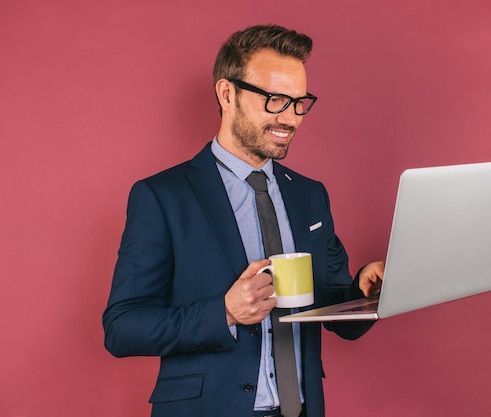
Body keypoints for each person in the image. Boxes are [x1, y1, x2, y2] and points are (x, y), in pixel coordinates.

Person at [103, 24, 384, 417]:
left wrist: (366, 290)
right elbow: (122, 327)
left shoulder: (310, 195)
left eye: (300, 102)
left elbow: (336, 310)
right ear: (227, 93)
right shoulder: (162, 197)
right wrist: (225, 312)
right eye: (275, 100)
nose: (291, 118)